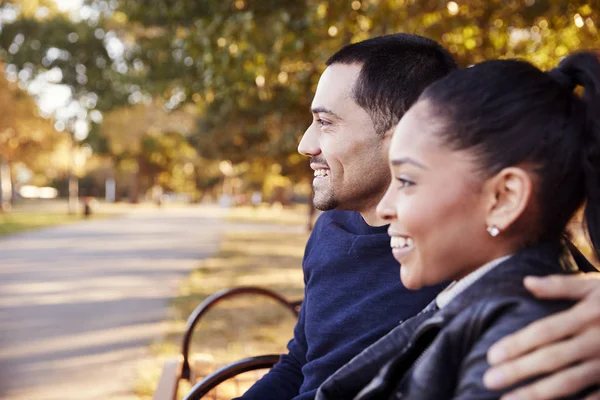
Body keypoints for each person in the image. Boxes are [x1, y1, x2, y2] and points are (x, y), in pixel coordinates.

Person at [238, 34, 600, 400]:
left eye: (407, 179)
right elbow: (303, 362)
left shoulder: (527, 339)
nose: (304, 144)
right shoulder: (461, 289)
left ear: (505, 197)